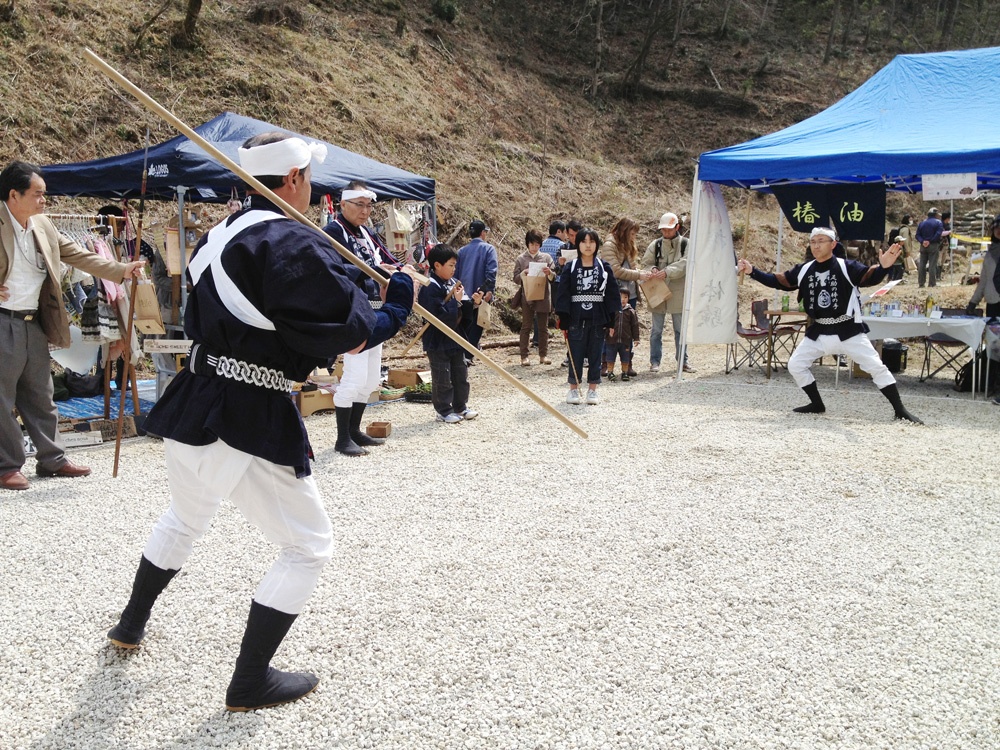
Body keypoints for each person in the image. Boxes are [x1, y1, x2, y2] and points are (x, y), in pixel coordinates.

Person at [106, 133, 414, 712]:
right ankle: (249, 681)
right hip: (247, 413)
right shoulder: (288, 241)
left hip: (197, 397)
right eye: (310, 178)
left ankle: (129, 625)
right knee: (309, 546)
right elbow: (350, 332)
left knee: (184, 518)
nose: (313, 188)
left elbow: (283, 309)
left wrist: (352, 283)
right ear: (294, 178)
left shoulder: (218, 236)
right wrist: (396, 304)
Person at [0, 161, 145, 492]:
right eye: (38, 194)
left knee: (41, 394)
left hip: (32, 320)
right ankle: (7, 466)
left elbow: (78, 255)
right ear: (14, 195)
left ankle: (53, 458)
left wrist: (120, 270)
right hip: (2, 317)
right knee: (2, 397)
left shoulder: (43, 225)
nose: (44, 200)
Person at [736, 227, 922, 423]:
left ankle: (900, 410)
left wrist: (883, 268)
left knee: (876, 367)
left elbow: (869, 277)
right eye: (813, 241)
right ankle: (816, 404)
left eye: (821, 241)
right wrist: (752, 271)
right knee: (796, 365)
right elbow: (779, 281)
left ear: (833, 244)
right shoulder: (804, 270)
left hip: (848, 330)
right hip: (819, 330)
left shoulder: (846, 266)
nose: (816, 245)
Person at [323, 180, 402, 456]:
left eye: (369, 205)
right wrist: (369, 270)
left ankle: (355, 430)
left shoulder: (367, 234)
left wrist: (397, 270)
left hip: (375, 308)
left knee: (370, 379)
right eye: (359, 205)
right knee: (354, 377)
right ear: (343, 204)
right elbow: (332, 269)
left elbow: (383, 259)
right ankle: (342, 438)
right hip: (352, 310)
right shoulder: (332, 232)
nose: (365, 211)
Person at [555, 228, 621, 405]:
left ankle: (592, 389)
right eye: (584, 241)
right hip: (575, 317)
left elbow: (612, 294)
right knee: (575, 354)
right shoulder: (570, 267)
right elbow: (563, 293)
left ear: (597, 244)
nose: (588, 245)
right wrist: (563, 318)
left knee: (595, 354)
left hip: (597, 317)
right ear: (578, 244)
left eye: (591, 241)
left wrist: (611, 319)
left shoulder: (604, 267)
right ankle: (573, 389)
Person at [419, 243, 478, 423]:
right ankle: (443, 410)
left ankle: (461, 406)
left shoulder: (454, 283)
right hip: (437, 339)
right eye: (451, 265)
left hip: (455, 337)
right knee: (442, 377)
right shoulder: (429, 286)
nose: (454, 269)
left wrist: (472, 303)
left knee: (460, 374)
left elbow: (463, 313)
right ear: (437, 265)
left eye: (455, 265)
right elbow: (437, 316)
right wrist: (456, 302)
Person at [640, 211, 694, 373]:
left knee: (680, 330)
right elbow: (645, 263)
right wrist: (653, 269)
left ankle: (683, 361)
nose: (666, 232)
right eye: (663, 229)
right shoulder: (655, 244)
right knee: (656, 330)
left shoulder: (686, 244)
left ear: (677, 227)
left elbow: (686, 263)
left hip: (678, 291)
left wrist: (667, 271)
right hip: (658, 291)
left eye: (669, 229)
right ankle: (654, 361)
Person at [600, 217, 650, 377]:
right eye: (632, 233)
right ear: (624, 231)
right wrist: (638, 275)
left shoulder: (627, 244)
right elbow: (614, 270)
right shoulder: (610, 245)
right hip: (615, 293)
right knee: (610, 330)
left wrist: (641, 275)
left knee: (628, 329)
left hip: (630, 293)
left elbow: (632, 266)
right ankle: (605, 363)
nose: (634, 237)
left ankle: (627, 364)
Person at [455, 219, 497, 361]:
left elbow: (455, 274)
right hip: (481, 293)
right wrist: (489, 290)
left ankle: (462, 354)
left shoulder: (461, 251)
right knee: (478, 326)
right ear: (483, 233)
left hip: (462, 294)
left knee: (465, 325)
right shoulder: (489, 249)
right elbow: (491, 271)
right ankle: (468, 356)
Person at [513, 229, 555, 366]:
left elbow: (554, 277)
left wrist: (549, 273)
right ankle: (524, 356)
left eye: (537, 245)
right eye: (532, 244)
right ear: (527, 244)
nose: (534, 247)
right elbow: (515, 278)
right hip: (527, 295)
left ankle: (543, 355)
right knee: (526, 326)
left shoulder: (546, 258)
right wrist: (523, 273)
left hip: (544, 295)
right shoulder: (521, 259)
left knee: (543, 327)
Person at [967, 214, 1000, 321]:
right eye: (996, 227)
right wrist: (973, 302)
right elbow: (984, 280)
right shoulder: (990, 254)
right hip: (993, 301)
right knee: (992, 331)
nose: (999, 231)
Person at [603, 289, 640, 381]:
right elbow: (606, 323)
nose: (622, 299)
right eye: (620, 297)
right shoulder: (612, 310)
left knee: (625, 357)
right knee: (610, 357)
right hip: (612, 339)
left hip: (625, 340)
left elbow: (635, 325)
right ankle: (610, 372)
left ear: (629, 298)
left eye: (625, 297)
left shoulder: (631, 311)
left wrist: (636, 338)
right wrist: (606, 334)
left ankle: (625, 372)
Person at [915, 207, 945, 288]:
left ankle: (921, 283)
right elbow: (938, 234)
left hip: (923, 246)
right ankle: (932, 283)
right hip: (933, 245)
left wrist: (923, 241)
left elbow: (917, 235)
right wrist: (930, 241)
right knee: (932, 265)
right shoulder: (938, 222)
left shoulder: (922, 223)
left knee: (922, 265)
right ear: (935, 214)